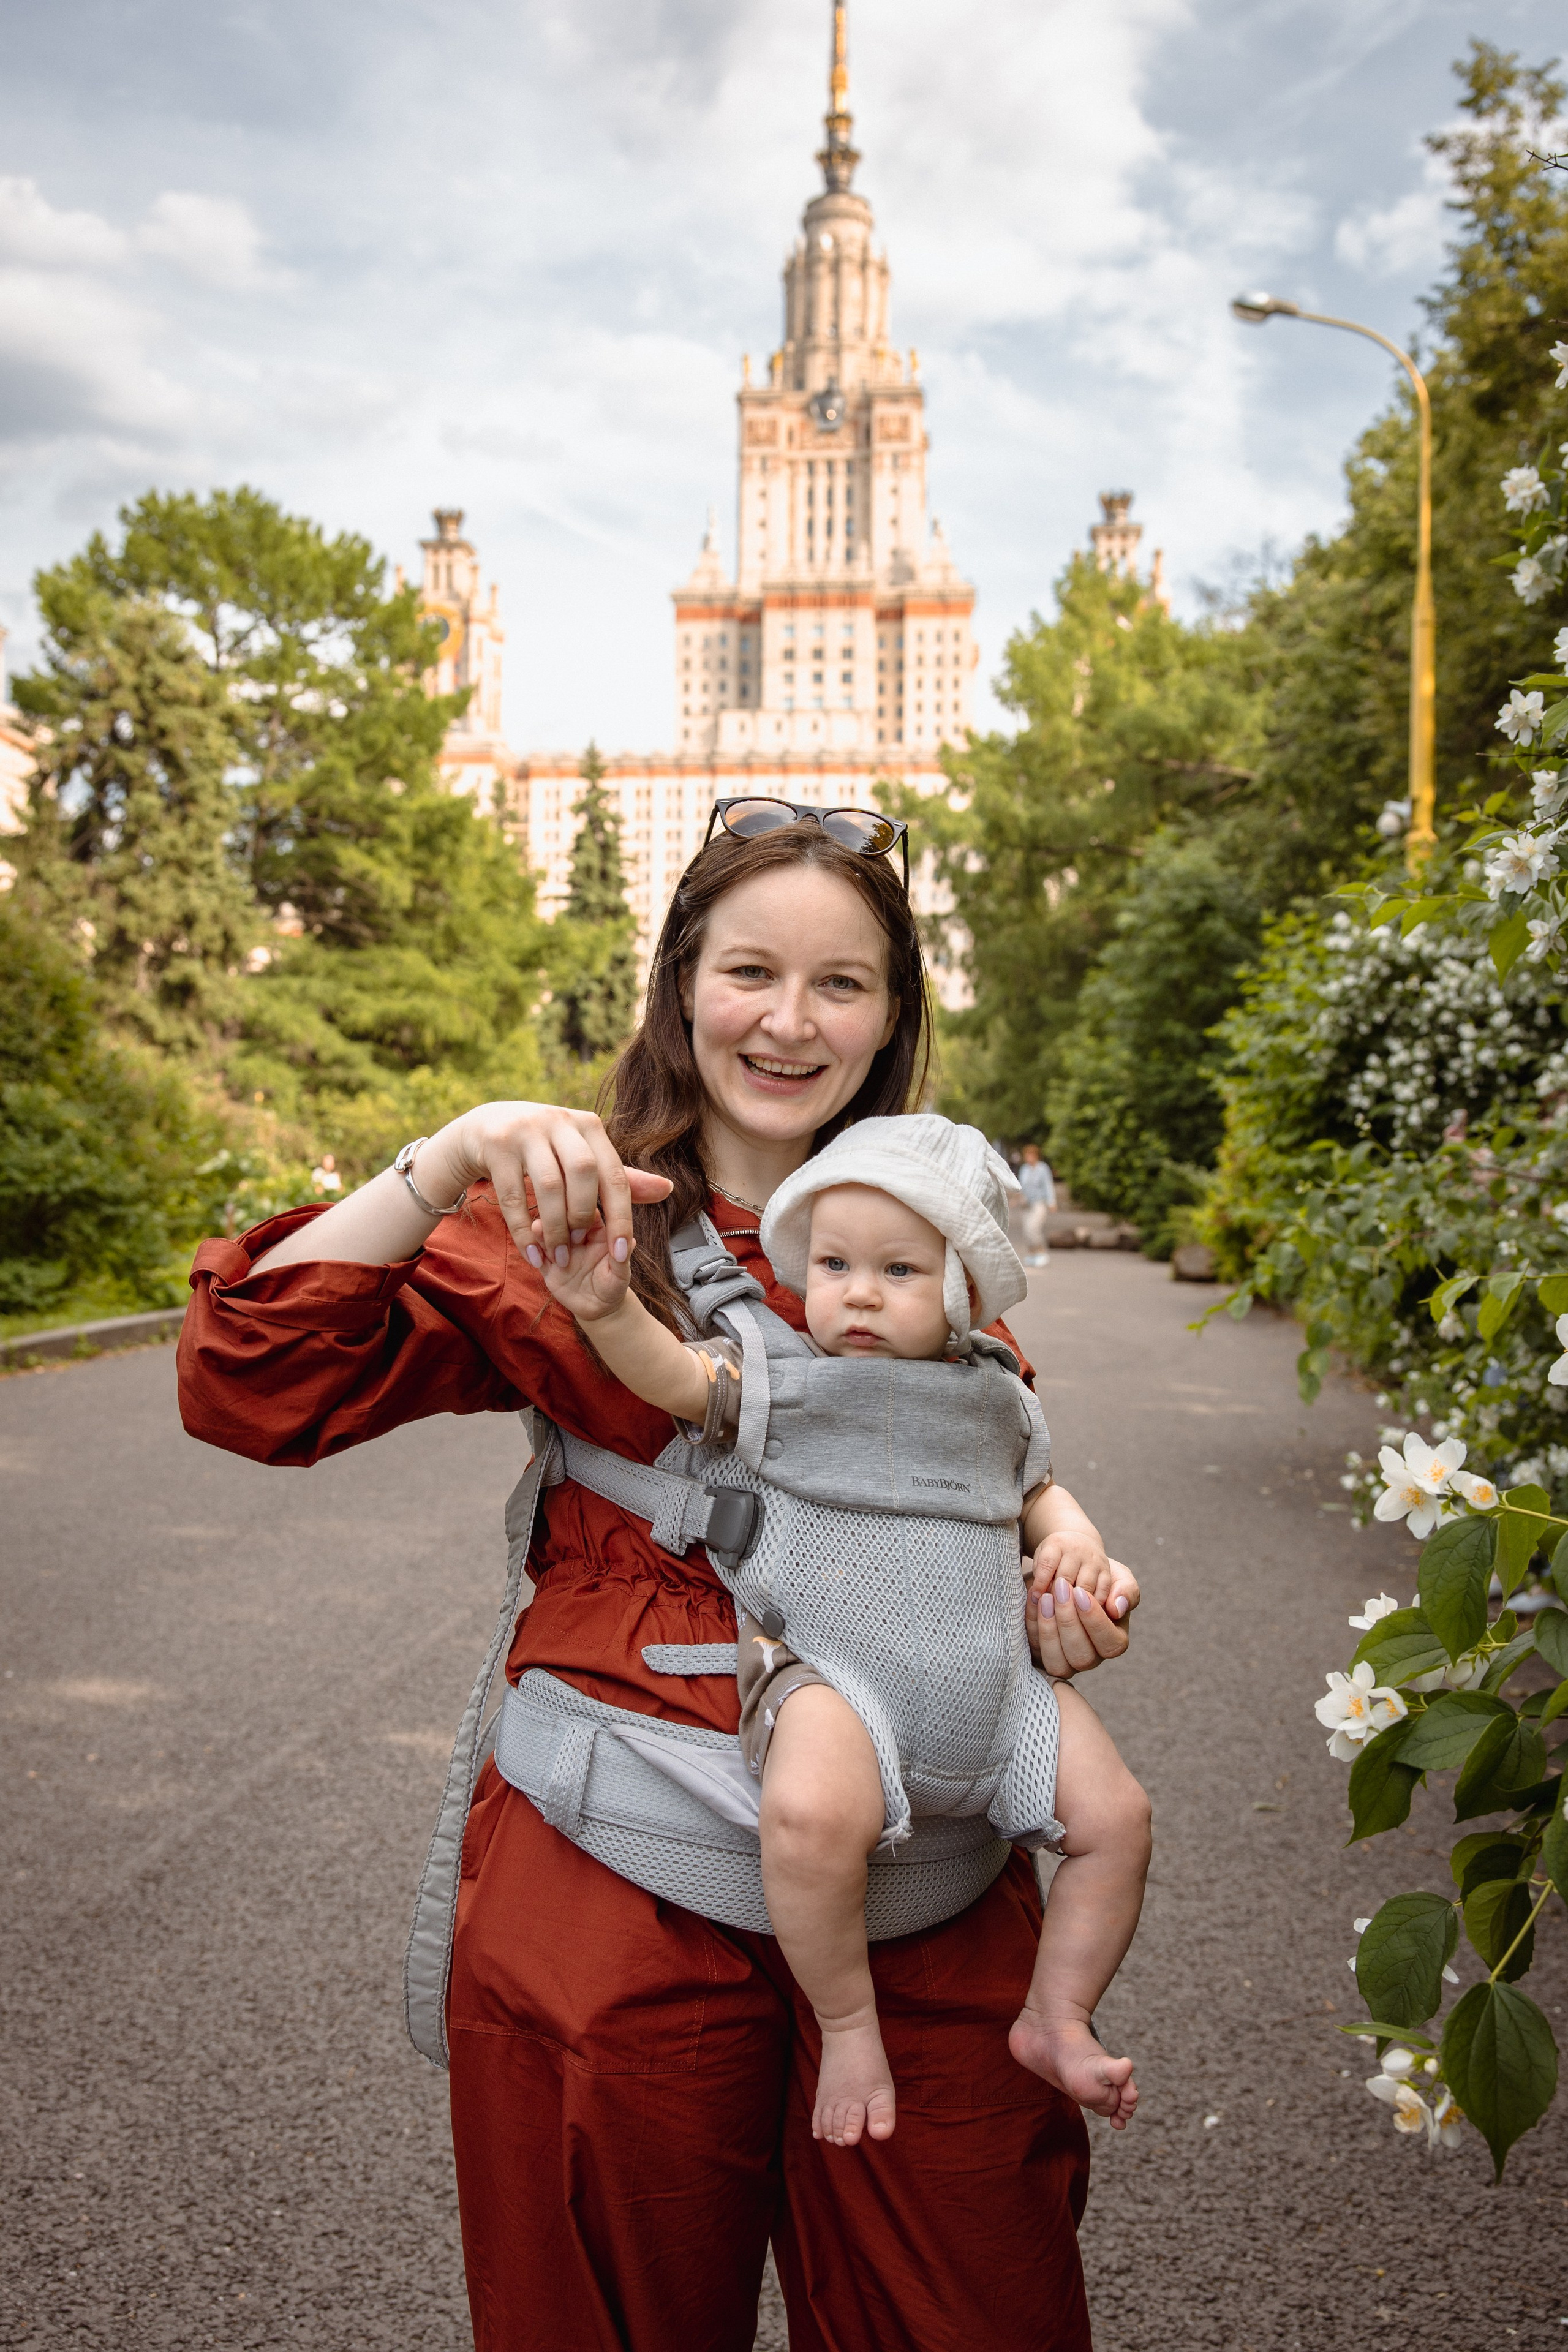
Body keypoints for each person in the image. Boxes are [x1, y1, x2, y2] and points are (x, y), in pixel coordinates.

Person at [177, 801, 1140, 2352]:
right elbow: (245, 1379)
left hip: (926, 1894)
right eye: (748, 967)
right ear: (680, 977)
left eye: (842, 982)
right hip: (615, 1891)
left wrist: (1053, 1598)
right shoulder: (565, 1215)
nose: (787, 1019)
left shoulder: (935, 1255)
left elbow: (1000, 1500)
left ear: (891, 1015)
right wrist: (447, 1158)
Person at [537, 1110, 1149, 2154]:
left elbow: (1039, 1490)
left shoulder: (995, 1394)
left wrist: (1078, 1542)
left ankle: (1058, 2014)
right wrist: (604, 1310)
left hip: (999, 1696)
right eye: (833, 1262)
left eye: (901, 1270)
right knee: (813, 1816)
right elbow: (675, 1378)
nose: (859, 1292)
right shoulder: (786, 1381)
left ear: (963, 1291)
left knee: (1119, 1819)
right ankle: (849, 2022)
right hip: (839, 1683)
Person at [1018, 1142, 1057, 1267]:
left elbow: (1048, 1185)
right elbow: (1021, 1186)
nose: (1029, 1158)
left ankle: (1041, 1252)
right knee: (1027, 1230)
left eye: (1031, 1155)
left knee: (1034, 1228)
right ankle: (1032, 1253)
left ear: (1036, 1156)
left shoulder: (1043, 1168)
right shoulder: (1024, 1169)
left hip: (1039, 1203)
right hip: (1026, 1204)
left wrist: (1052, 1202)